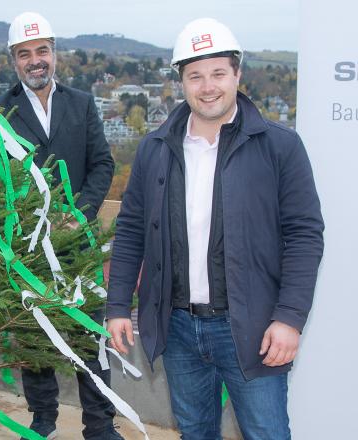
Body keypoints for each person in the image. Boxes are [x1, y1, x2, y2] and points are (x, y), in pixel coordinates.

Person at [105, 18, 324, 439]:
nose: (208, 87)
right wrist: (117, 305)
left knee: (267, 433)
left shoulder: (279, 146)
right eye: (196, 76)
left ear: (237, 75)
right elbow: (132, 228)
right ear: (181, 83)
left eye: (218, 73)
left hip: (254, 326)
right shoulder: (156, 149)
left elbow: (304, 235)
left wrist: (290, 319)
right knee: (195, 433)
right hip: (180, 326)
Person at [0, 11, 118, 440]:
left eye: (42, 50)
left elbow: (101, 163)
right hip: (27, 249)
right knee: (34, 341)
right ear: (13, 60)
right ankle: (43, 422)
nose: (35, 60)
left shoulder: (81, 103)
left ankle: (99, 426)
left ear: (54, 53)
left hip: (78, 245)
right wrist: (30, 220)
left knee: (89, 341)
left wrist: (78, 212)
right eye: (25, 54)